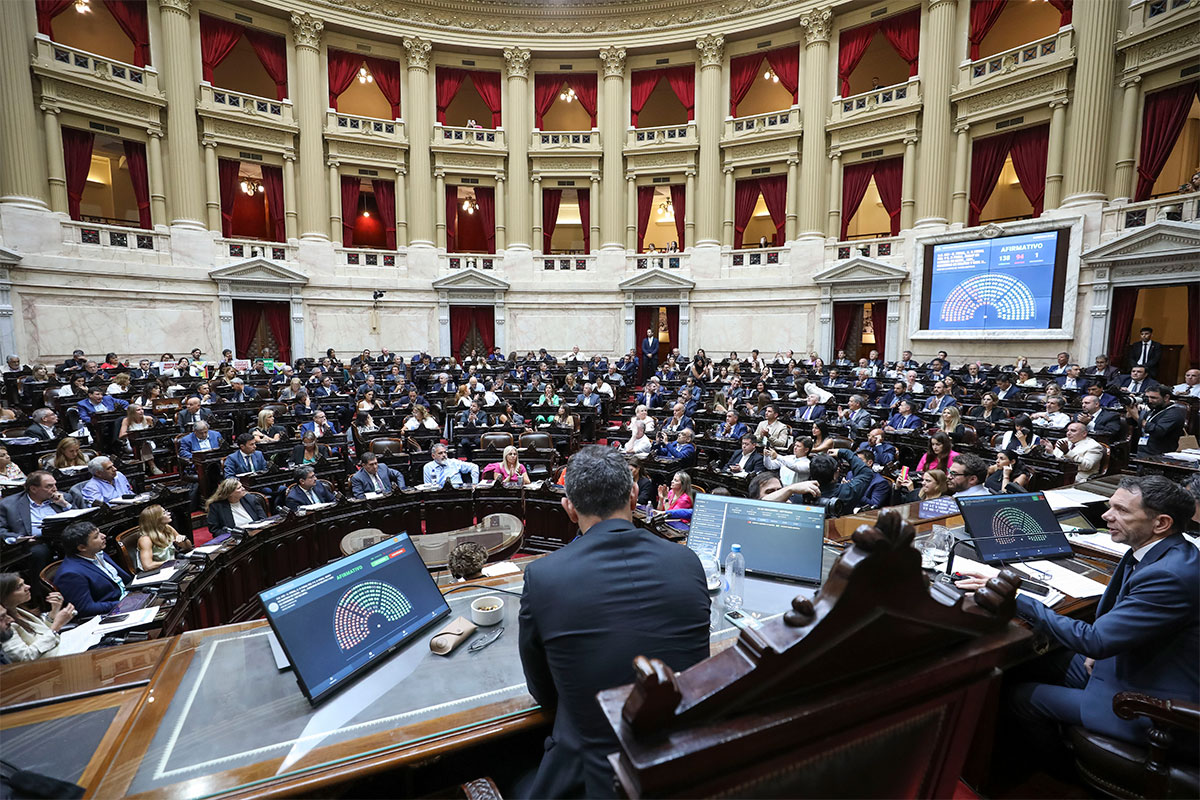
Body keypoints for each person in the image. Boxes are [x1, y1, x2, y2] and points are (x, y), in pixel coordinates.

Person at [518, 445, 709, 798]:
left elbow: (544, 694)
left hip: (595, 782)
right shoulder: (687, 561)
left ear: (569, 509)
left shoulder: (542, 576)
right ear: (634, 496)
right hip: (686, 768)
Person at [958, 477, 1196, 756]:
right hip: (1124, 663)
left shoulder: (1169, 575)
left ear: (1161, 523)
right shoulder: (1161, 550)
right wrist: (1103, 643)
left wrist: (1017, 596)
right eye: (1110, 507)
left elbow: (1094, 640)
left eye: (1122, 510)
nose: (1107, 516)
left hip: (1147, 702)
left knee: (1020, 697)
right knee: (1028, 664)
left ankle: (1056, 774)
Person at [0, 472, 72, 577]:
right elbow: (1, 529)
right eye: (49, 486)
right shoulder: (8, 505)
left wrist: (65, 505)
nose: (55, 489)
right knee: (38, 552)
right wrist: (19, 538)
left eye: (55, 484)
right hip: (34, 541)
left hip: (63, 537)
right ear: (33, 489)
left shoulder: (62, 497)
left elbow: (80, 520)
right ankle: (40, 589)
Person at [55, 521, 132, 618]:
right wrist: (124, 603)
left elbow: (125, 580)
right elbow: (85, 608)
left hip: (131, 597)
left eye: (100, 532)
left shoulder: (98, 553)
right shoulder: (70, 574)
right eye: (96, 537)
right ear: (82, 547)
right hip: (114, 612)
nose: (103, 536)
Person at [0, 573, 74, 662]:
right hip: (51, 663)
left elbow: (41, 632)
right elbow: (24, 657)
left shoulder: (19, 609)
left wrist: (54, 611)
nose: (28, 587)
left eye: (24, 583)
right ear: (4, 596)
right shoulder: (4, 625)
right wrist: (55, 627)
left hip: (62, 650)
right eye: (19, 587)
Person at [205, 479, 269, 536]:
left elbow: (263, 519)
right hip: (235, 540)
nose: (243, 488)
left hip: (256, 535)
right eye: (239, 488)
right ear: (230, 493)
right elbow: (215, 530)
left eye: (242, 486)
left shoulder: (250, 499)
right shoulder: (216, 506)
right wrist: (232, 535)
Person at [135, 505, 189, 571]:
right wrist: (172, 563)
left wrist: (184, 540)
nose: (169, 513)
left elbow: (187, 548)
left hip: (171, 567)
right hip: (156, 572)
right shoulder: (145, 540)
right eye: (164, 513)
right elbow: (147, 566)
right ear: (156, 519)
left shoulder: (168, 529)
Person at [1138, 386, 1186, 456]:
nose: (1149, 401)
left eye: (1153, 398)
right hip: (1143, 450)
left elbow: (1158, 431)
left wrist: (1137, 417)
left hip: (1160, 455)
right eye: (1147, 397)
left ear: (1166, 397)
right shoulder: (1154, 408)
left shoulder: (1174, 413)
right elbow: (1132, 423)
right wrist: (1130, 409)